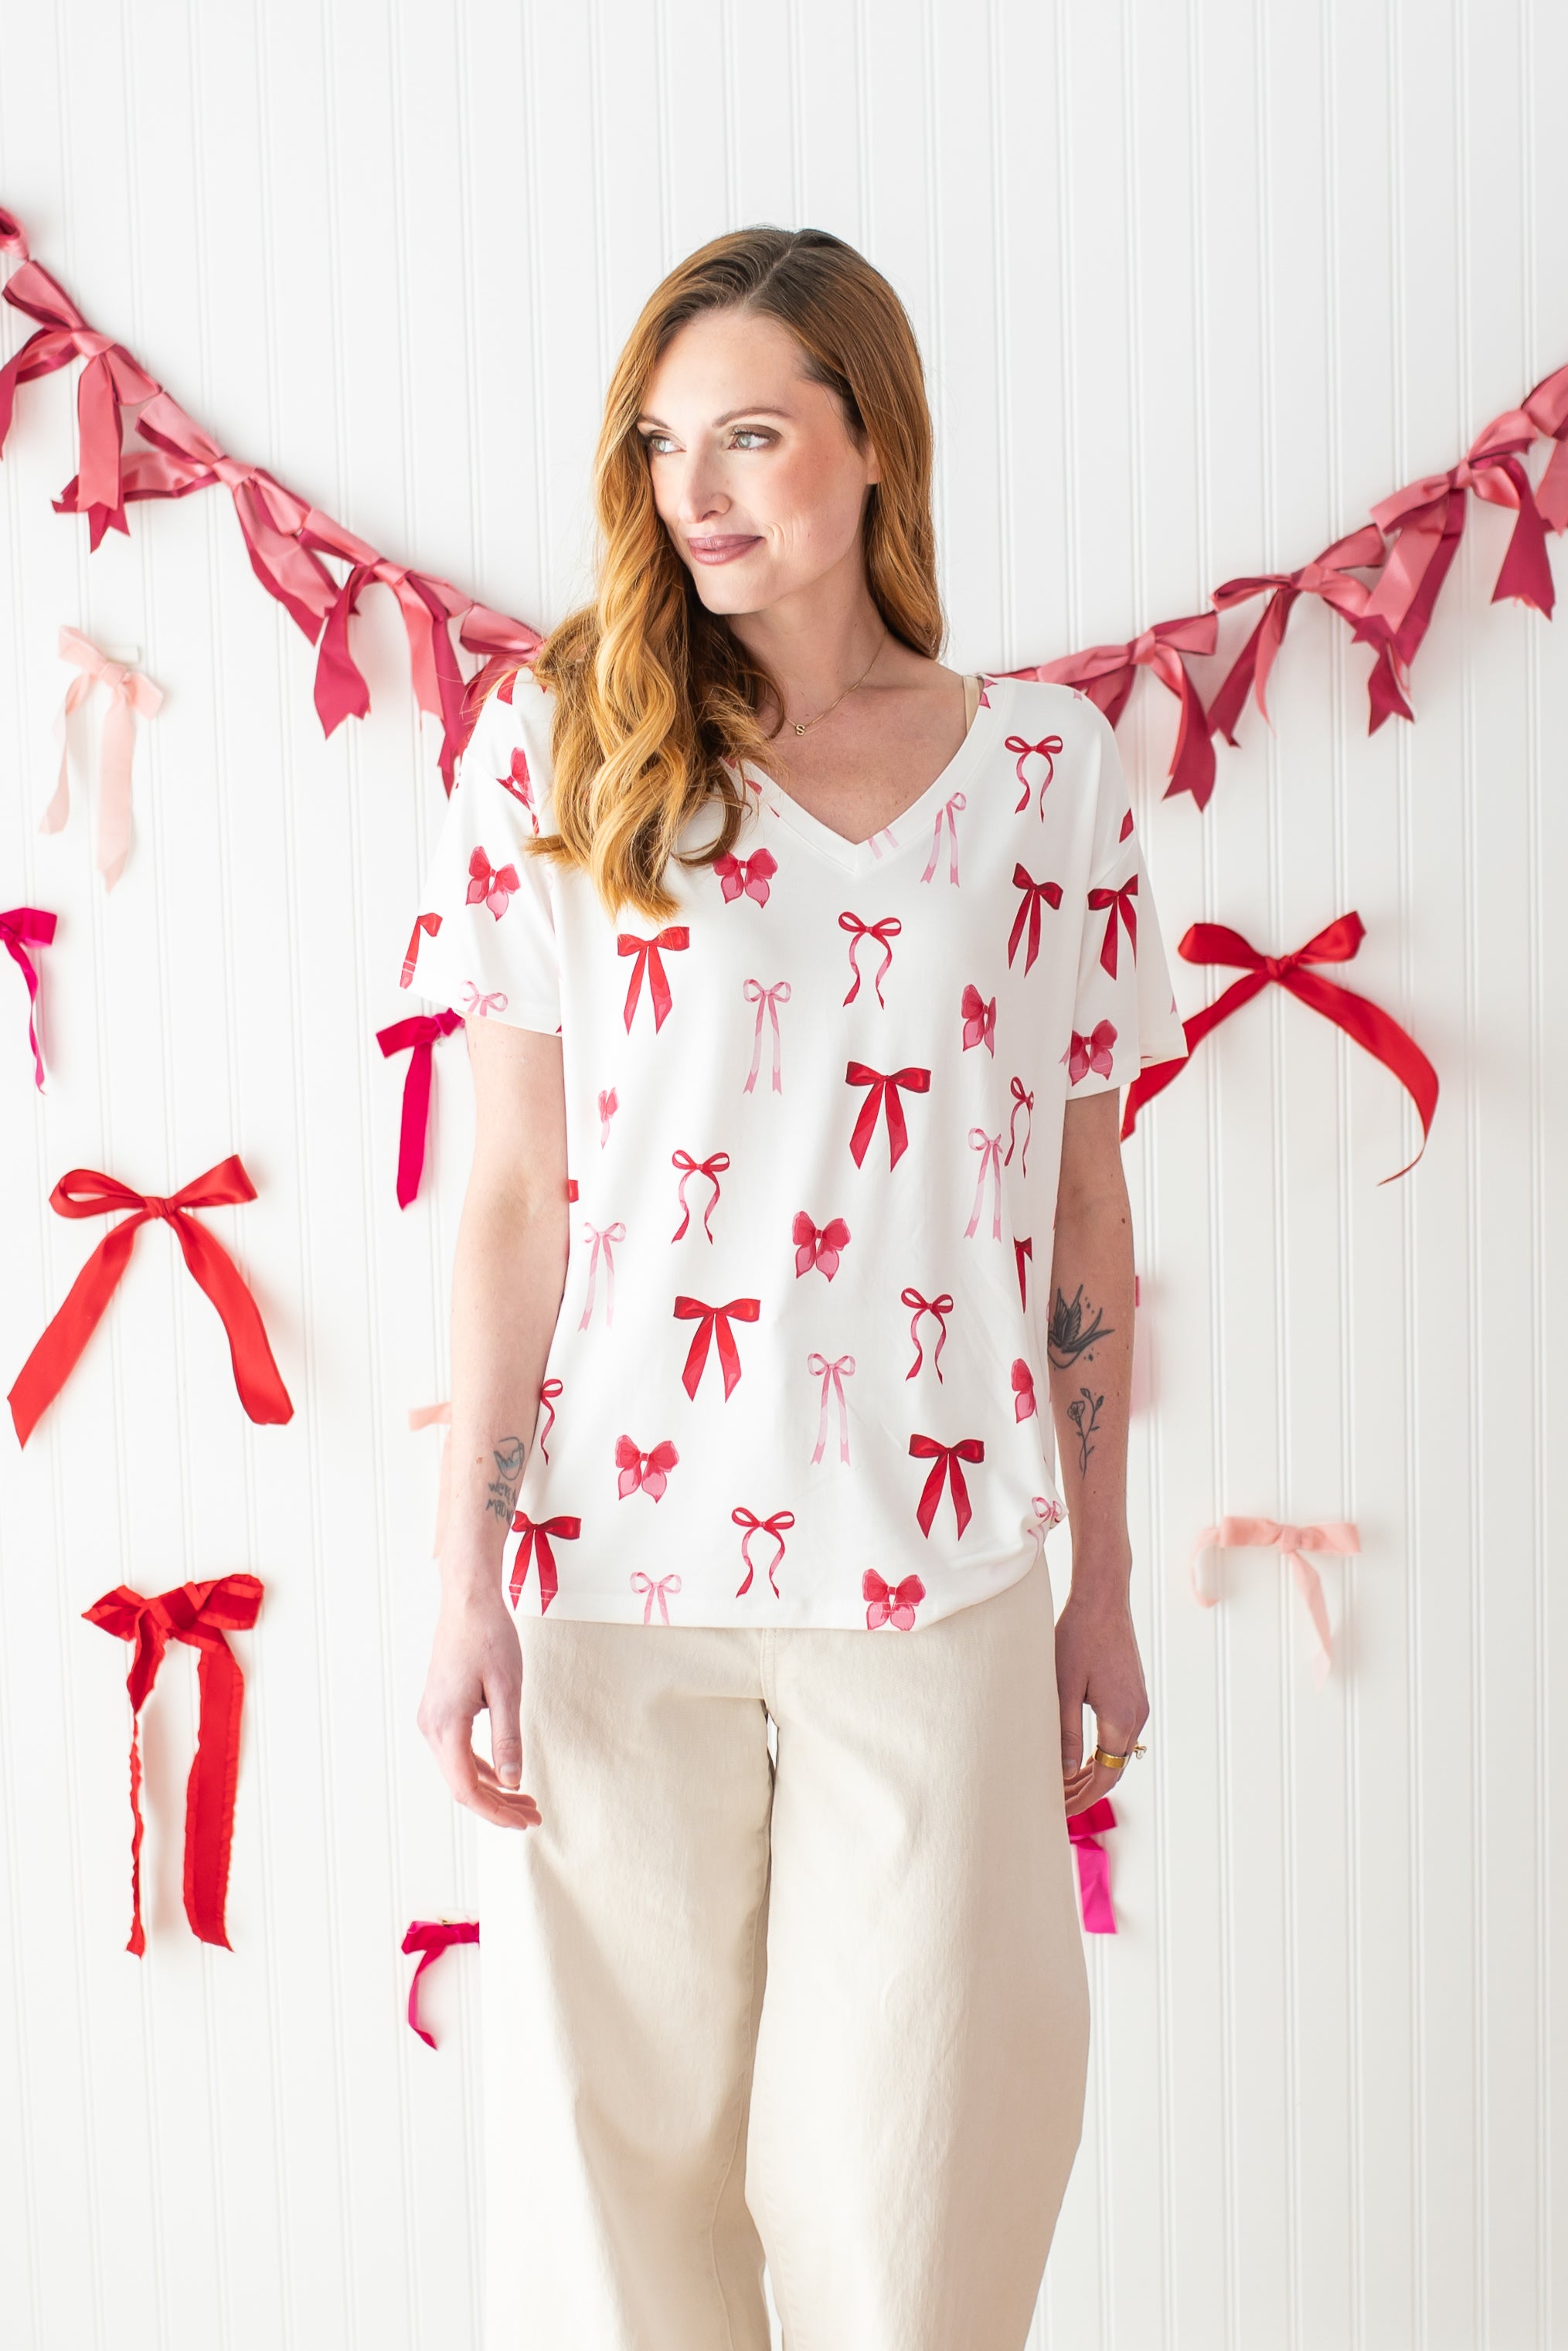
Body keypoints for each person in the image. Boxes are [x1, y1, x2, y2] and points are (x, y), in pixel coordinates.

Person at [403, 225, 1185, 2351]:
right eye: (667, 445)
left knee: (922, 2196)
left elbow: (1083, 1224)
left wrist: (1100, 1579)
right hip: (620, 1579)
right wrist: (466, 1580)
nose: (701, 492)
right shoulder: (560, 748)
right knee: (614, 2216)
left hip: (932, 1582)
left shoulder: (1047, 780)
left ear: (872, 447)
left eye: (752, 433)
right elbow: (510, 1206)